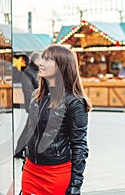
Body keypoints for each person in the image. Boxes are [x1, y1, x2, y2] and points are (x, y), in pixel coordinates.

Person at [21, 45, 92, 195]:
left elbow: (79, 145)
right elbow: (30, 131)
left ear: (62, 66)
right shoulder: (36, 96)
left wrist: (75, 185)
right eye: (42, 58)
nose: (41, 63)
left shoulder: (74, 102)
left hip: (56, 173)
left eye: (47, 60)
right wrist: (25, 160)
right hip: (30, 170)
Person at [14, 52, 40, 159]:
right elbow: (28, 91)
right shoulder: (29, 72)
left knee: (30, 127)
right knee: (29, 128)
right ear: (36, 60)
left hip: (36, 105)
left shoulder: (36, 72)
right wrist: (33, 106)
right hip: (33, 105)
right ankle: (19, 150)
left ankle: (20, 150)